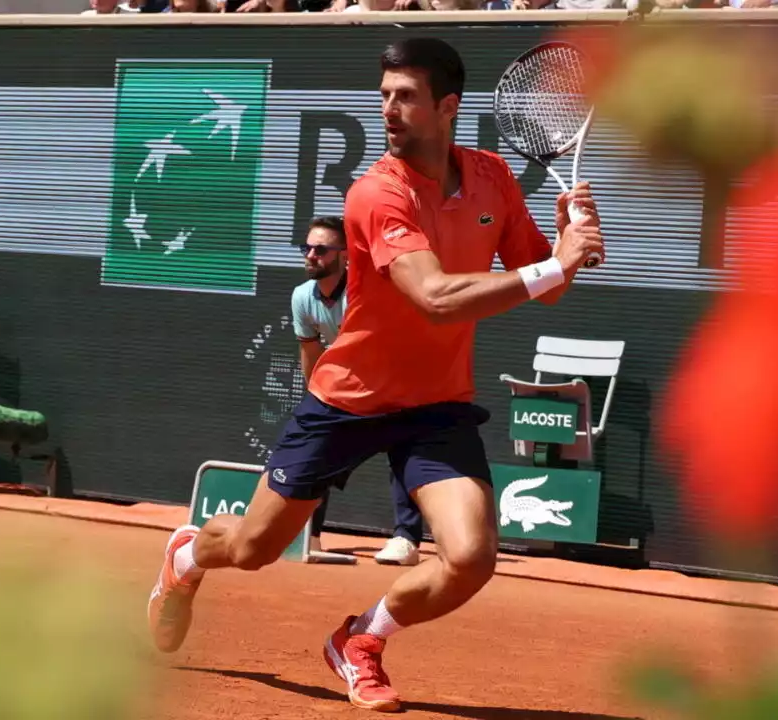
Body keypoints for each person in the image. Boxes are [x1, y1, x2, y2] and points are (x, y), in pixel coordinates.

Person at [146, 36, 604, 712]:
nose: (389, 108)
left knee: (472, 556)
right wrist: (553, 266)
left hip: (435, 404)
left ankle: (360, 641)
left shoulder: (493, 178)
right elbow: (435, 298)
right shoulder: (375, 194)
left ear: (447, 107)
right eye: (385, 94)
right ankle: (187, 556)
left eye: (406, 96)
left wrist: (569, 242)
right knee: (251, 549)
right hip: (349, 399)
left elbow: (550, 284)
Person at [292, 215, 425, 565]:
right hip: (347, 382)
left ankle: (406, 540)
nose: (310, 255)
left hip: (397, 375)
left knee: (403, 452)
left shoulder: (367, 293)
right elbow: (310, 351)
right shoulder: (302, 297)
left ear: (344, 255)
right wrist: (316, 398)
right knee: (316, 450)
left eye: (320, 250)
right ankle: (312, 537)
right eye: (307, 248)